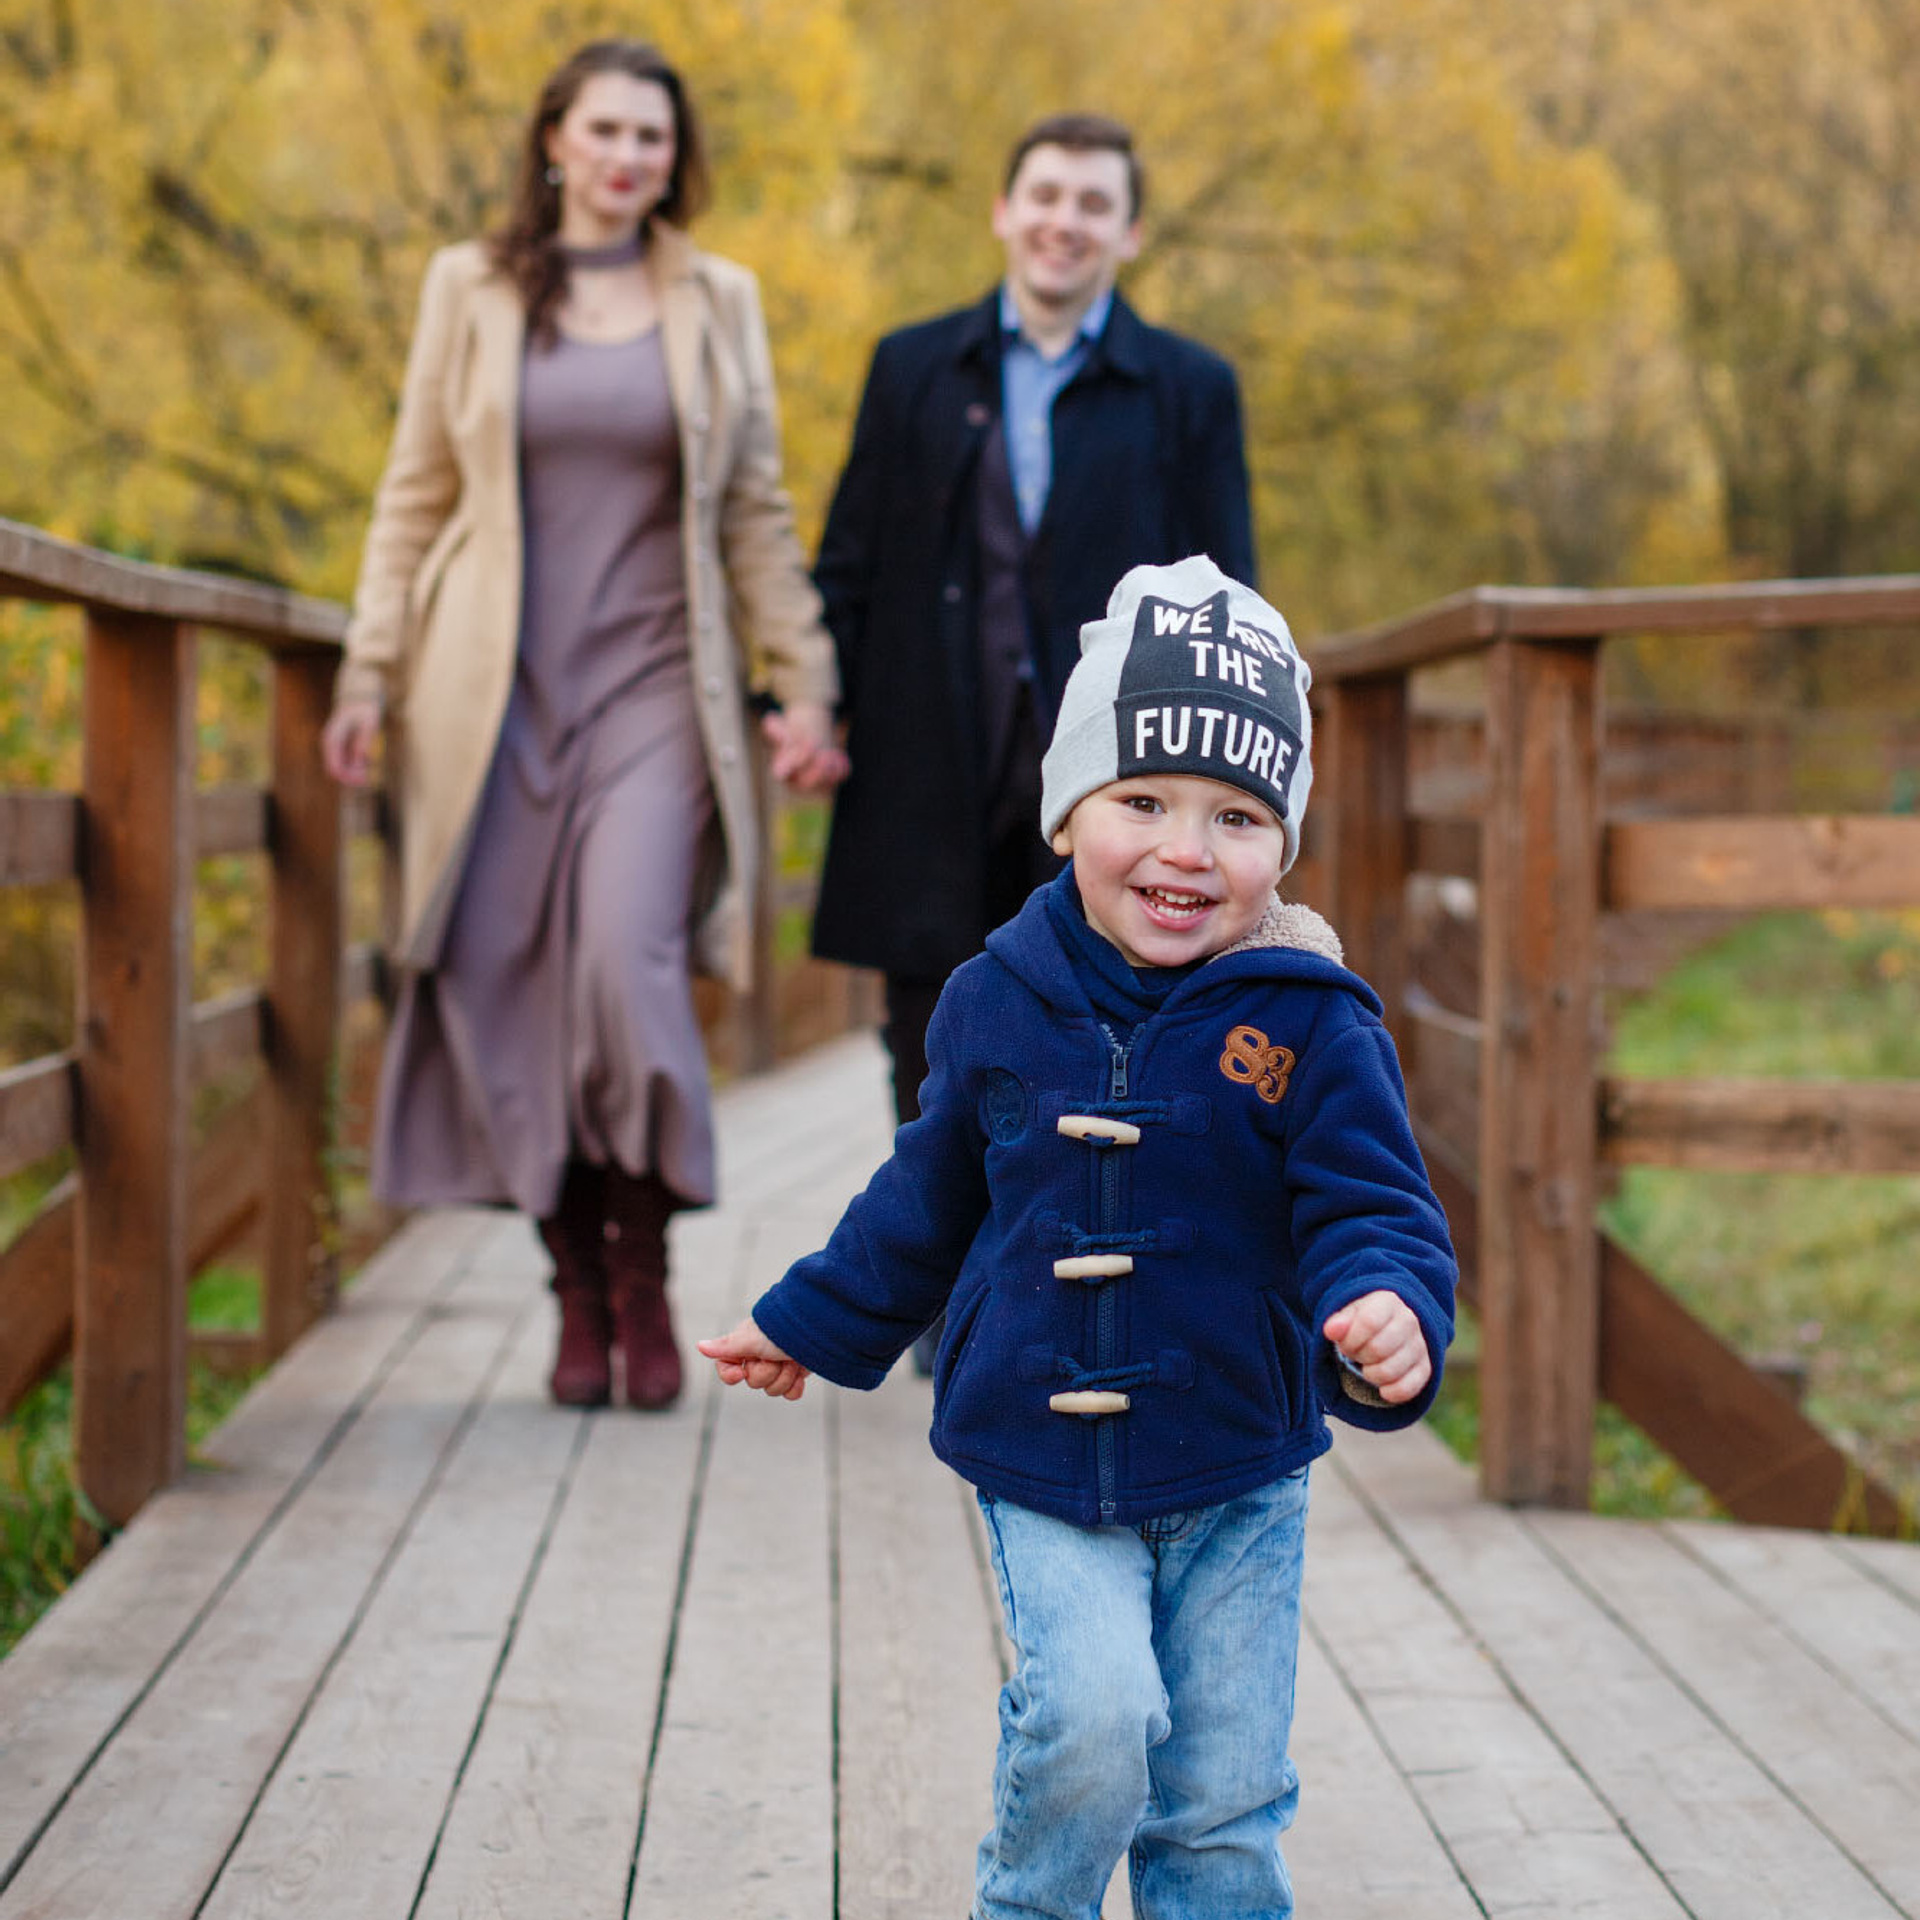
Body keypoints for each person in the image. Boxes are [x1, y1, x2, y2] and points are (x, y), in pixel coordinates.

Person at [700, 555, 1457, 1920]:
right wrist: (807, 1319)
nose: (1186, 848)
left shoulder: (1310, 1017)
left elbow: (1372, 1203)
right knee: (1094, 1727)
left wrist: (1388, 1303)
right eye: (1143, 801)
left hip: (1237, 1462)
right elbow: (925, 1200)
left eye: (1238, 814)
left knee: (1222, 1803)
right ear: (1066, 814)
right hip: (1041, 1445)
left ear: (1282, 843)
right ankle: (1030, 1906)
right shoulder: (996, 997)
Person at [321, 39, 844, 1414]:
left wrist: (806, 684)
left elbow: (756, 513)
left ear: (676, 158)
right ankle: (569, 1284)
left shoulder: (716, 300)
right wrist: (366, 676)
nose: (626, 156)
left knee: (629, 967)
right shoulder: (471, 287)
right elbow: (413, 495)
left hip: (658, 694)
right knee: (503, 984)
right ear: (552, 138)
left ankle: (641, 1269)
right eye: (604, 129)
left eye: (651, 137)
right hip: (486, 702)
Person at [810, 111, 1256, 1367]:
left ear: (1129, 229)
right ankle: (948, 1300)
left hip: (1115, 776)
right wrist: (807, 704)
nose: (1065, 221)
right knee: (933, 1029)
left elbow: (1228, 593)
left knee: (1097, 1015)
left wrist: (1228, 787)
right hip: (926, 753)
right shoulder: (913, 368)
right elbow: (848, 560)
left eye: (1093, 202)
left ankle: (1060, 1289)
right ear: (1005, 211)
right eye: (1045, 195)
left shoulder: (1186, 390)